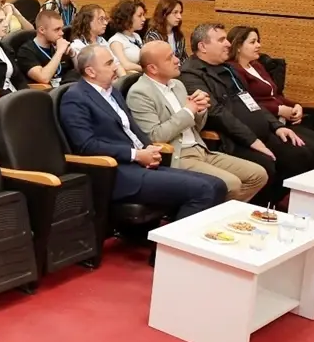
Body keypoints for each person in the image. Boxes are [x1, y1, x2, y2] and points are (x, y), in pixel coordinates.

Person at [61, 46, 228, 235]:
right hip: (117, 172)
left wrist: (150, 149)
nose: (116, 66)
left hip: (141, 164)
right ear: (90, 71)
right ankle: (167, 254)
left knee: (217, 185)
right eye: (109, 63)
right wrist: (137, 154)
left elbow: (133, 129)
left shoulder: (112, 92)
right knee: (204, 190)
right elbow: (87, 146)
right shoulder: (75, 98)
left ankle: (182, 248)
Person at [179, 23, 314, 207]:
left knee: (308, 151)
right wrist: (252, 141)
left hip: (259, 132)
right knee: (282, 161)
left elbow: (252, 103)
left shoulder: (228, 69)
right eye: (222, 40)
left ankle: (279, 204)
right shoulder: (191, 73)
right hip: (233, 139)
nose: (228, 44)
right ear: (203, 46)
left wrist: (277, 126)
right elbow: (217, 114)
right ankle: (259, 209)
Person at [127, 41, 268, 203]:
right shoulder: (140, 93)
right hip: (177, 156)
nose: (177, 60)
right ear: (153, 68)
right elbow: (154, 137)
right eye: (169, 58)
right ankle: (212, 217)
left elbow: (195, 127)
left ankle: (213, 213)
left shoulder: (177, 85)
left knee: (258, 175)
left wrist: (200, 111)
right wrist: (188, 111)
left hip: (201, 149)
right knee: (232, 184)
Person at [228, 25, 314, 157]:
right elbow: (246, 103)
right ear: (238, 46)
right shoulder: (234, 70)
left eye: (258, 41)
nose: (258, 45)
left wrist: (295, 105)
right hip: (265, 124)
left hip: (283, 120)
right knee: (309, 151)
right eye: (253, 42)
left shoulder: (256, 65)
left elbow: (275, 95)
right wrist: (278, 110)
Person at [17, 9, 76, 87]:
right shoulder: (26, 51)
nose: (62, 33)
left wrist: (72, 54)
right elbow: (44, 78)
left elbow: (81, 72)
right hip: (45, 93)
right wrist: (59, 52)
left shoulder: (57, 46)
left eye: (61, 28)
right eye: (57, 29)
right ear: (42, 30)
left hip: (65, 88)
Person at [108, 0, 147, 74]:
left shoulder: (136, 36)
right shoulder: (116, 41)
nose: (144, 19)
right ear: (127, 17)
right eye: (139, 16)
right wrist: (146, 69)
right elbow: (125, 65)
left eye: (143, 15)